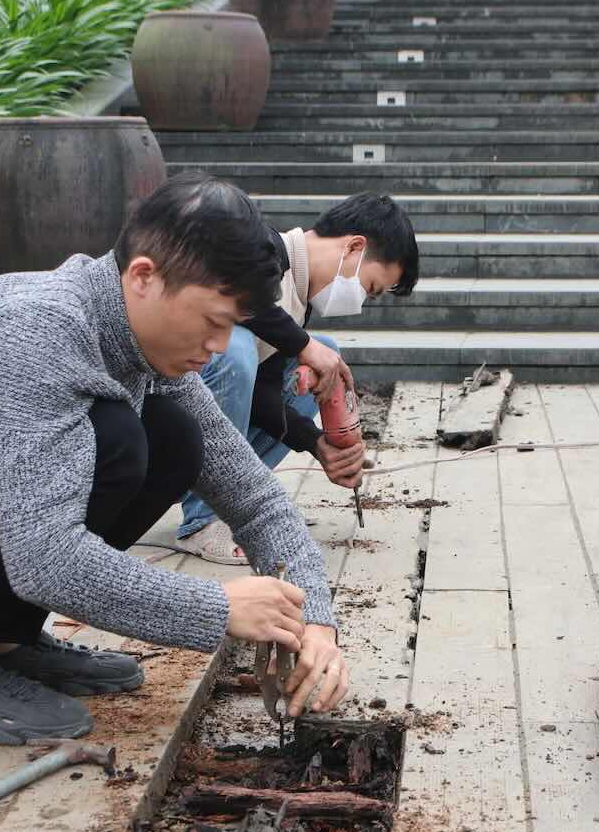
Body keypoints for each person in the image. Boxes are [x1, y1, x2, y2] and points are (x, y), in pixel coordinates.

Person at [0, 172, 350, 744]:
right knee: (117, 437)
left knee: (174, 436)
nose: (220, 347)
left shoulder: (140, 349)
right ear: (144, 277)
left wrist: (315, 620)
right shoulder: (37, 330)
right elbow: (43, 559)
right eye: (213, 322)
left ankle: (0, 642)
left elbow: (253, 497)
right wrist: (216, 606)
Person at [175, 193, 419, 565]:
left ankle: (235, 500)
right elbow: (232, 292)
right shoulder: (263, 245)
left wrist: (317, 443)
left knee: (324, 359)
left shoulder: (298, 304)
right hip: (157, 416)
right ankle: (201, 521)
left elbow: (258, 399)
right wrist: (302, 345)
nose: (360, 302)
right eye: (370, 288)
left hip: (196, 444)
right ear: (354, 247)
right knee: (237, 349)